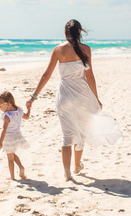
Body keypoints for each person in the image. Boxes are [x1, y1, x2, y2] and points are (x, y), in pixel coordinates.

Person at [26, 19, 123, 181]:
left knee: (67, 136)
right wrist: (96, 98)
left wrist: (33, 96)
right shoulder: (86, 49)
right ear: (80, 33)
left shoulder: (58, 50)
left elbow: (46, 75)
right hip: (82, 96)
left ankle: (67, 173)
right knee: (80, 133)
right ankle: (77, 166)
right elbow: (90, 76)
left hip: (64, 96)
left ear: (65, 33)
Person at [0, 91, 31, 180]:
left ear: (8, 103)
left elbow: (4, 130)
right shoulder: (19, 111)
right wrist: (29, 108)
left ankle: (12, 177)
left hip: (8, 137)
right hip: (17, 135)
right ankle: (21, 167)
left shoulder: (7, 116)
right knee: (12, 154)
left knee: (10, 158)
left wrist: (0, 142)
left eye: (0, 105)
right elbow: (26, 117)